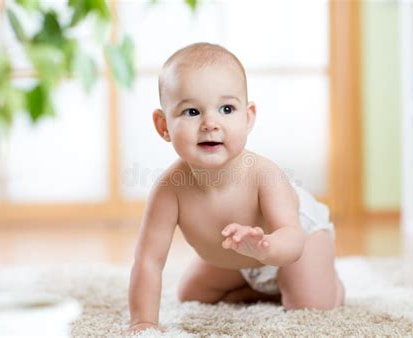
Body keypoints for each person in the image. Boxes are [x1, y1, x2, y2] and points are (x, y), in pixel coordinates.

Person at [127, 42, 345, 333]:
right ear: (163, 125)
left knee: (310, 304)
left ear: (248, 116)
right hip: (242, 255)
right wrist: (143, 322)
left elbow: (292, 238)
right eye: (192, 112)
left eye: (226, 108)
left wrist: (264, 248)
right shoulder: (170, 190)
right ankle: (263, 289)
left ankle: (330, 285)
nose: (210, 123)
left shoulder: (264, 175)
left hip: (296, 243)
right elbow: (148, 261)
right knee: (192, 294)